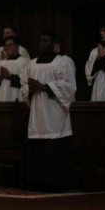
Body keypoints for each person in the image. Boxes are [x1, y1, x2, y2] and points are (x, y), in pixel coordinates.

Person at [21, 30, 76, 193]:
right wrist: (29, 89)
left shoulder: (63, 62)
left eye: (45, 41)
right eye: (40, 41)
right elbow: (23, 85)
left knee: (54, 145)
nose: (41, 44)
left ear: (54, 43)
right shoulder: (31, 64)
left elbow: (69, 86)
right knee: (38, 144)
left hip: (55, 111)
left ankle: (57, 182)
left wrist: (43, 87)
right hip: (37, 112)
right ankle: (38, 181)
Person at [0, 36, 29, 102]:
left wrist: (9, 76)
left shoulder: (25, 62)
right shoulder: (0, 63)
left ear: (17, 46)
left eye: (10, 45)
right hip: (1, 99)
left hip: (18, 99)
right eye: (5, 46)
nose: (7, 48)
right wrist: (0, 77)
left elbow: (26, 82)